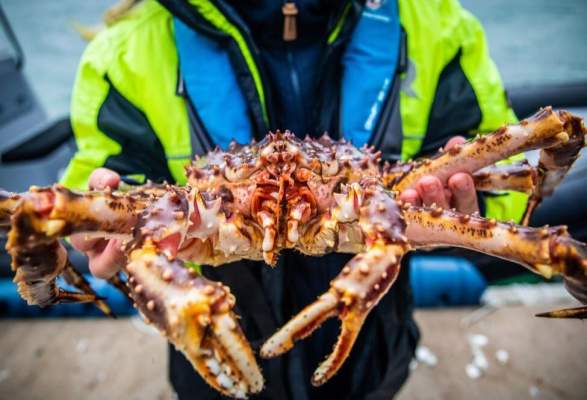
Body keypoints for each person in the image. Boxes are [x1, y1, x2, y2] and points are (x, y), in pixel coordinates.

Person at [62, 0, 539, 398]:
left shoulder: (437, 25)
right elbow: (101, 188)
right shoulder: (125, 51)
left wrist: (469, 208)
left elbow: (511, 182)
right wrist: (99, 229)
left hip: (374, 354)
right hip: (210, 358)